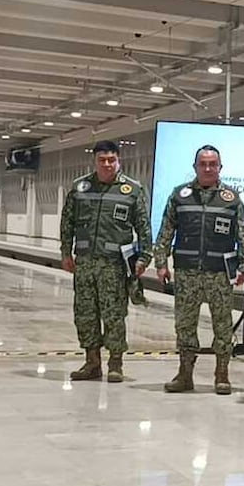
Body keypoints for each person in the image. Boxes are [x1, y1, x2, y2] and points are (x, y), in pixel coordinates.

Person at [154, 144, 244, 395]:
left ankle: (222, 375)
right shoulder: (180, 196)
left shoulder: (231, 199)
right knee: (185, 325)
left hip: (219, 273)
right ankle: (185, 374)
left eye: (213, 164)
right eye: (203, 164)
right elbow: (166, 231)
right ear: (195, 167)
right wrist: (161, 262)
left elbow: (242, 234)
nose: (208, 168)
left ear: (220, 167)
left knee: (222, 324)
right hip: (187, 272)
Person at [59, 140, 152, 383]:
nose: (107, 164)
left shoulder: (132, 190)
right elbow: (67, 222)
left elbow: (143, 227)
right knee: (85, 314)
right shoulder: (81, 187)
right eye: (102, 160)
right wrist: (65, 252)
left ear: (118, 160)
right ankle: (92, 363)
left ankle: (115, 364)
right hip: (85, 263)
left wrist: (144, 257)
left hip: (114, 265)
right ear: (95, 161)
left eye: (111, 160)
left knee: (114, 315)